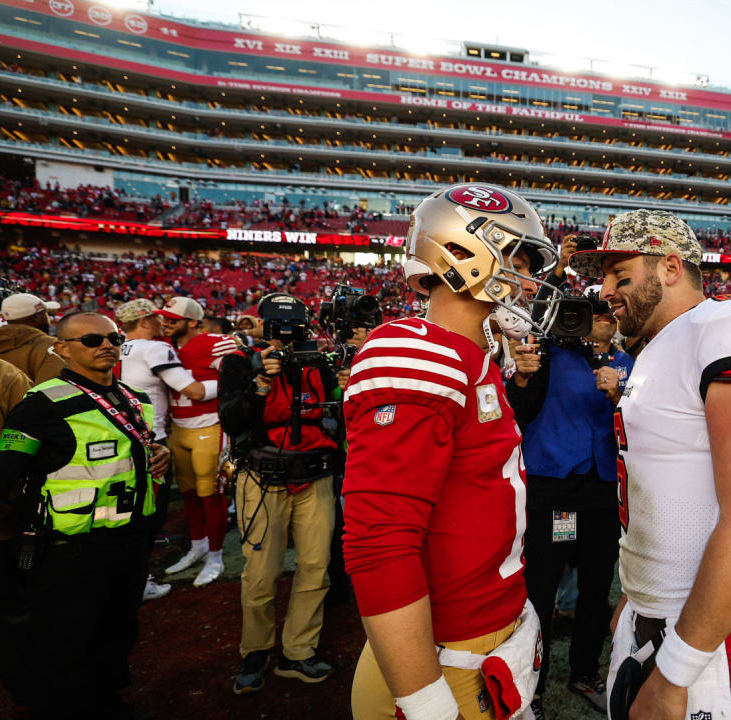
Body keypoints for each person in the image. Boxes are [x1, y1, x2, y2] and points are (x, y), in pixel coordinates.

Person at [345, 184, 568, 720]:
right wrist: (427, 705)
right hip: (448, 658)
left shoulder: (473, 356)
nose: (529, 273)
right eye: (518, 254)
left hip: (484, 638)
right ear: (463, 251)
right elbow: (379, 541)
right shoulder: (418, 350)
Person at [569, 209, 731, 720]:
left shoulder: (729, 324)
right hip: (654, 611)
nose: (605, 290)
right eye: (604, 276)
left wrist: (676, 670)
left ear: (670, 267)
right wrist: (635, 598)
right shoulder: (657, 346)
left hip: (709, 632)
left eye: (620, 274)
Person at [0, 311, 170, 719]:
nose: (106, 345)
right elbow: (2, 475)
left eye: (113, 337)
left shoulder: (134, 399)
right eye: (90, 340)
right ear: (62, 348)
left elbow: (138, 454)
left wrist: (161, 455)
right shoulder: (40, 405)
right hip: (71, 551)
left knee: (118, 633)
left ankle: (108, 703)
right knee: (70, 643)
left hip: (129, 541)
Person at [505, 291, 635, 715]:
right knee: (541, 591)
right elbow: (518, 410)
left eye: (605, 312)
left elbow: (640, 426)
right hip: (554, 490)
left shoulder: (626, 363)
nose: (601, 319)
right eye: (589, 313)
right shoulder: (544, 355)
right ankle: (532, 685)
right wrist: (522, 377)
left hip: (600, 491)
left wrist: (621, 395)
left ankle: (584, 671)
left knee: (597, 589)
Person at [219, 293, 342, 694]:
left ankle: (298, 651)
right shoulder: (240, 361)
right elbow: (231, 419)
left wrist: (343, 390)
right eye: (279, 325)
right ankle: (255, 652)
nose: (288, 334)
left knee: (314, 568)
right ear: (264, 324)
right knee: (260, 575)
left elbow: (333, 419)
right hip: (262, 475)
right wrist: (261, 382)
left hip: (315, 475)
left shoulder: (319, 362)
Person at [116, 298, 217, 600]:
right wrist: (237, 381)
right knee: (149, 514)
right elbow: (195, 391)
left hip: (126, 434)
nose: (164, 323)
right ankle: (139, 579)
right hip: (152, 439)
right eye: (157, 319)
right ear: (145, 322)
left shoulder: (119, 346)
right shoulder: (155, 348)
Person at [158, 295, 238, 586]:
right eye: (164, 318)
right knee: (189, 493)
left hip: (209, 426)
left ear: (192, 322)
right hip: (178, 428)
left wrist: (202, 390)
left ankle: (215, 556)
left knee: (210, 493)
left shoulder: (213, 342)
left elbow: (239, 377)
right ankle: (198, 545)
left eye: (172, 319)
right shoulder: (160, 346)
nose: (165, 323)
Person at [0, 351, 32, 710]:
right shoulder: (1, 373)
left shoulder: (0, 373)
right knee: (10, 620)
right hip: (0, 527)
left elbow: (33, 441)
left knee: (9, 622)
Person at [0, 292, 64, 384]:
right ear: (37, 317)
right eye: (45, 313)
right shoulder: (51, 346)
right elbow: (53, 392)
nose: (48, 318)